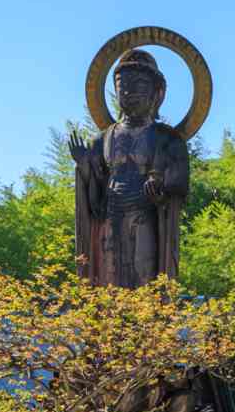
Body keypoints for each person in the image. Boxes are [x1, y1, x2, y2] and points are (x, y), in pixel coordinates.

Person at [69, 49, 189, 288]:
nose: (128, 92)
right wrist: (84, 166)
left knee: (143, 277)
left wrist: (161, 189)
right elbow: (94, 194)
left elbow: (180, 182)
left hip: (145, 217)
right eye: (122, 85)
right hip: (110, 217)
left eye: (139, 86)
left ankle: (148, 323)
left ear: (158, 93)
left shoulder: (167, 139)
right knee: (109, 279)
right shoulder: (102, 139)